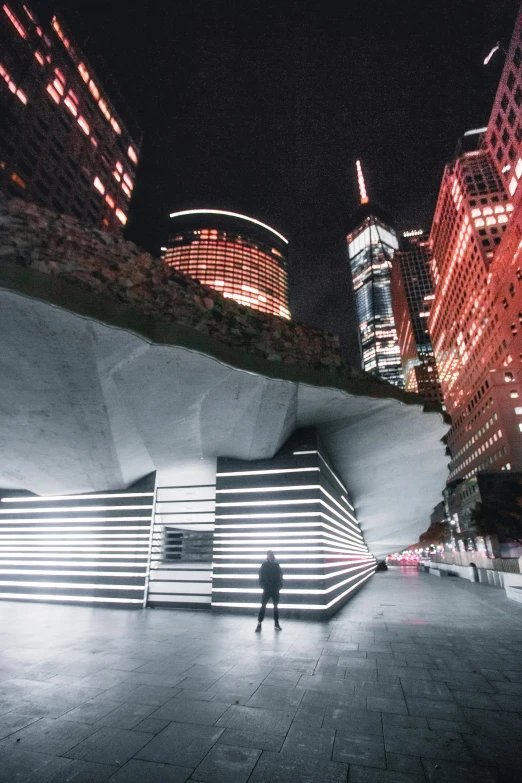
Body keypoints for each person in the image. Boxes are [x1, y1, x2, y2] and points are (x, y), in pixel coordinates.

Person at [255, 550, 283, 632]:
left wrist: (264, 586)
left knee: (267, 606)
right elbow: (280, 575)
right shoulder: (272, 565)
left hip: (271, 589)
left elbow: (280, 576)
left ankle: (260, 624)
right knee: (270, 606)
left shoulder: (269, 565)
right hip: (271, 589)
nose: (271, 556)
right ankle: (274, 624)